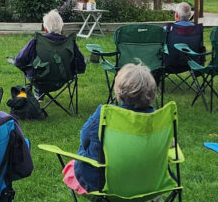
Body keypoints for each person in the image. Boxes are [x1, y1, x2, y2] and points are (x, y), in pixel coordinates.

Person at [63, 63, 157, 195]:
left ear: (120, 90)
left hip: (103, 182)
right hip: (146, 181)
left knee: (89, 151)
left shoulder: (105, 114)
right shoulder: (157, 119)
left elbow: (84, 138)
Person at [13, 9, 86, 78]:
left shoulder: (35, 42)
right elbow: (81, 67)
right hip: (64, 78)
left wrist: (28, 70)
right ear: (62, 27)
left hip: (39, 79)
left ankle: (41, 91)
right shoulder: (70, 43)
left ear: (45, 29)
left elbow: (18, 61)